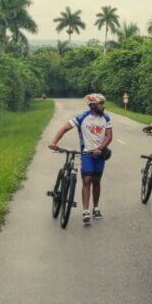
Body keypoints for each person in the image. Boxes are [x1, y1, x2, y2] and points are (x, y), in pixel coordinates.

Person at [49, 93, 113, 225]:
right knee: (87, 179)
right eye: (100, 104)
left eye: (102, 103)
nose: (103, 106)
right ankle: (85, 211)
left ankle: (95, 208)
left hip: (100, 154)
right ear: (93, 105)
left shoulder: (106, 118)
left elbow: (109, 136)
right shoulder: (82, 117)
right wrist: (54, 142)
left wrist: (100, 149)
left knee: (96, 181)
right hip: (86, 154)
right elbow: (65, 128)